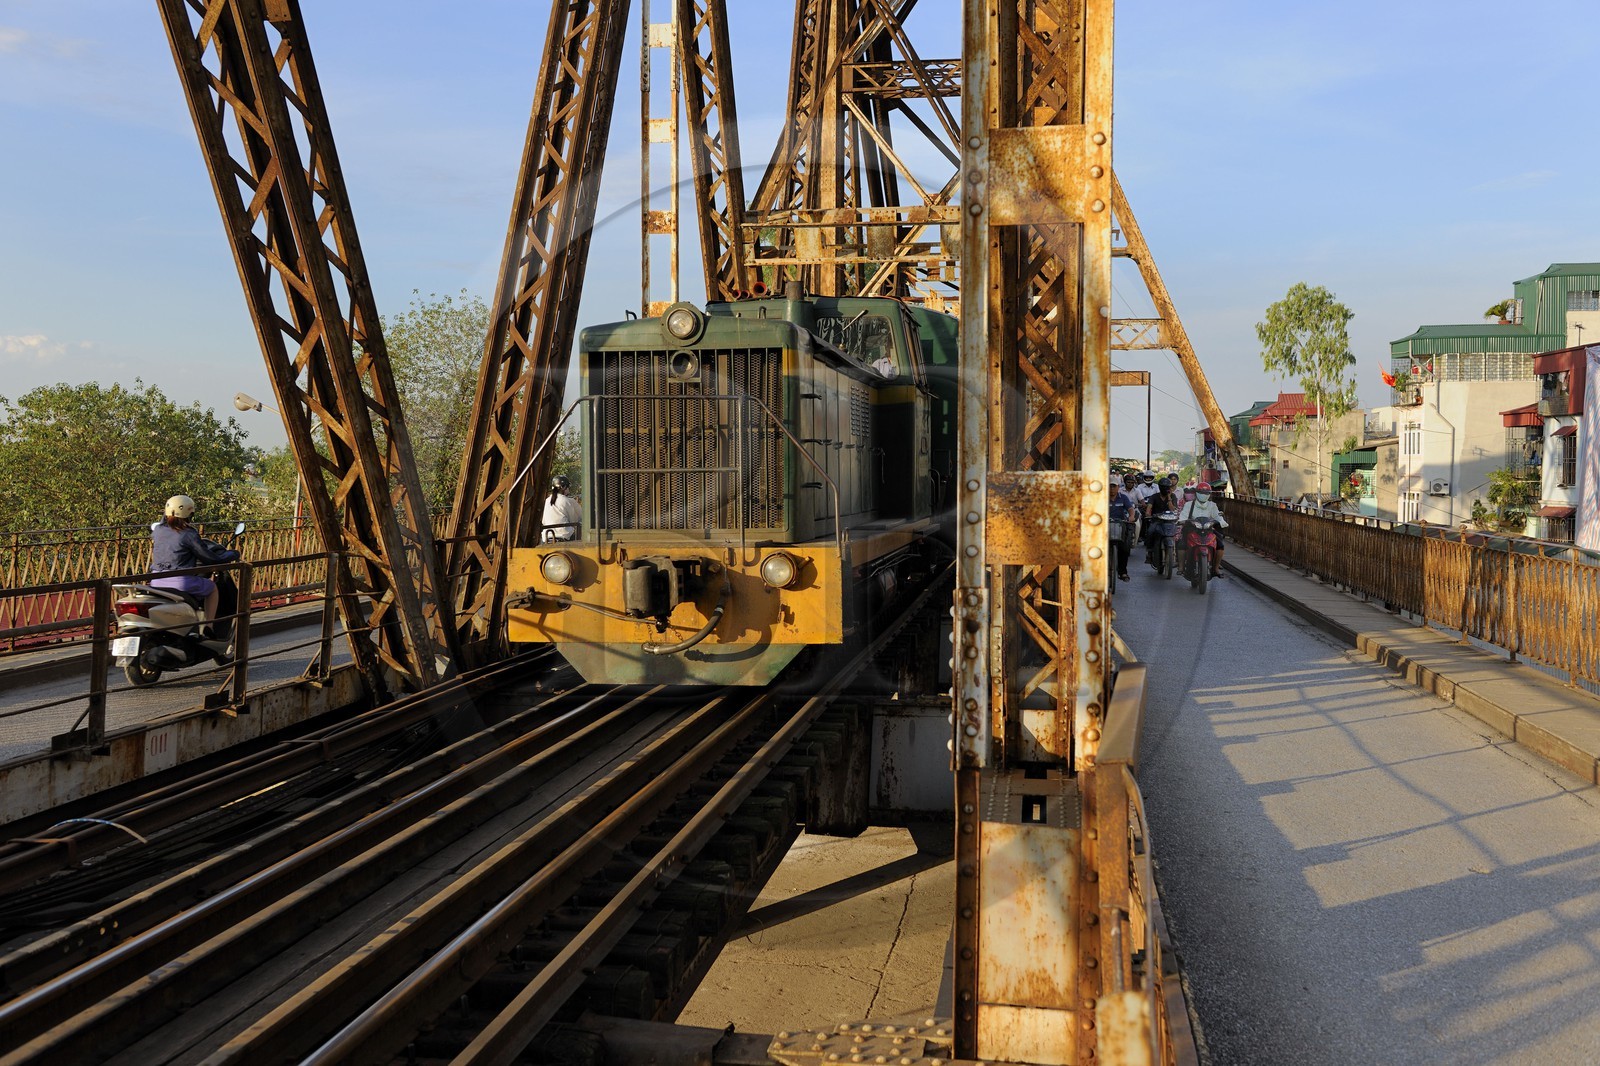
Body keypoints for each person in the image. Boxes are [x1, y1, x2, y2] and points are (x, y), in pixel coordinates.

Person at [150, 494, 239, 634]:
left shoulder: (158, 531)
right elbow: (210, 559)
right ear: (189, 515)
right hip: (180, 582)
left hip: (156, 581)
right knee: (212, 588)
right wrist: (233, 554)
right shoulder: (188, 534)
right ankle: (209, 626)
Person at [1177, 480, 1229, 579]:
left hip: (1208, 530)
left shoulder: (1212, 505)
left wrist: (1221, 522)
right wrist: (1182, 521)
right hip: (1191, 530)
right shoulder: (1189, 505)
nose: (1203, 495)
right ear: (1196, 493)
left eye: (1206, 493)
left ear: (1209, 494)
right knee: (1181, 544)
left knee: (1220, 545)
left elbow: (1217, 516)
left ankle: (1216, 568)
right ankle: (1181, 567)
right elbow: (1183, 515)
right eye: (1200, 492)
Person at [1109, 474, 1137, 584]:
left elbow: (1130, 509)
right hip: (1104, 527)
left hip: (1120, 526)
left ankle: (1122, 572)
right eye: (1110, 486)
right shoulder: (1101, 497)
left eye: (1114, 486)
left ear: (1118, 487)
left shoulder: (1123, 498)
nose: (1112, 489)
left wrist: (1131, 516)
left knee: (1124, 549)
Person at [542, 475, 582, 543]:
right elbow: (574, 520)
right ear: (563, 487)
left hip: (546, 537)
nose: (568, 490)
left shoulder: (546, 501)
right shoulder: (567, 500)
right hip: (565, 537)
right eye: (568, 487)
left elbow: (544, 521)